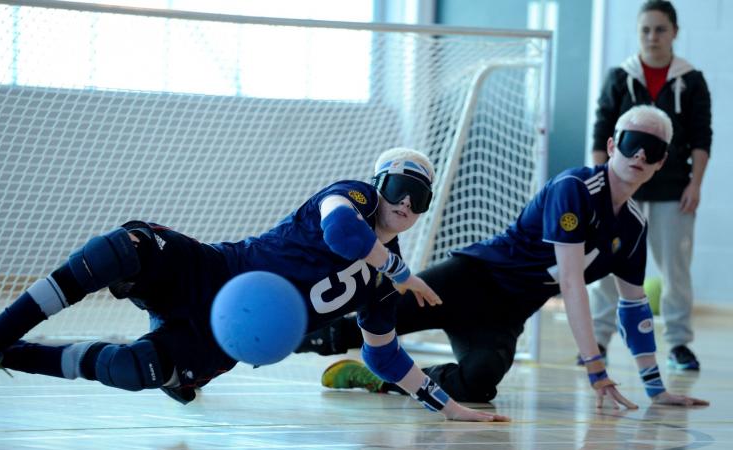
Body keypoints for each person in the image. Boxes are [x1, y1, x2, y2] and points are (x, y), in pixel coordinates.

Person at [0, 147, 508, 423]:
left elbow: (383, 354)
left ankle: (0, 355)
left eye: (421, 197)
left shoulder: (382, 281)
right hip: (214, 273)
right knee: (118, 250)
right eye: (400, 186)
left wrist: (444, 404)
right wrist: (402, 271)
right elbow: (339, 233)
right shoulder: (353, 198)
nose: (407, 203)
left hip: (226, 343)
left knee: (135, 370)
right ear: (379, 181)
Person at [298, 105, 708, 410]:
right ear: (612, 145)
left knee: (478, 386)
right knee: (364, 326)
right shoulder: (575, 189)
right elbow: (570, 283)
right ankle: (272, 337)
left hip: (504, 317)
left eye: (651, 150)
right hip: (469, 280)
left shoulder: (633, 228)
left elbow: (634, 307)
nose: (639, 156)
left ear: (661, 162)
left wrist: (655, 387)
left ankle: (378, 377)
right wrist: (596, 369)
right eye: (633, 144)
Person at [588, 0, 712, 370]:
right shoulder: (619, 77)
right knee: (605, 266)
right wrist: (601, 187)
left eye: (660, 29)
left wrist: (696, 184)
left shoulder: (692, 80)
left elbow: (702, 138)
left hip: (674, 193)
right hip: (621, 194)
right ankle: (597, 339)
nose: (652, 37)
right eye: (645, 29)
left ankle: (678, 345)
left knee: (675, 270)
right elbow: (601, 133)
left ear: (674, 32)